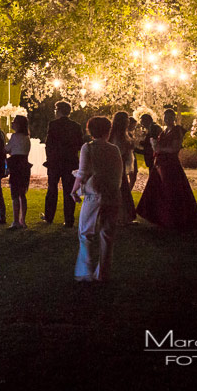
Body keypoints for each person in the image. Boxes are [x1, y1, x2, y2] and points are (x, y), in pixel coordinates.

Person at [71, 116, 124, 282]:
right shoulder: (114, 149)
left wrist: (74, 190)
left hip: (95, 193)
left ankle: (84, 272)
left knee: (86, 232)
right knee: (107, 234)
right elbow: (118, 173)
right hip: (113, 193)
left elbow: (83, 172)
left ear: (90, 130)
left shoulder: (88, 147)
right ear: (108, 131)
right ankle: (103, 274)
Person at [136, 109, 197, 232]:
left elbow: (175, 148)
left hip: (171, 164)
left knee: (171, 190)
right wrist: (155, 146)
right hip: (160, 163)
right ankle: (159, 217)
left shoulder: (177, 130)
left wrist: (159, 148)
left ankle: (174, 218)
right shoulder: (164, 131)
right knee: (158, 189)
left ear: (174, 118)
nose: (167, 119)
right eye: (165, 117)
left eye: (170, 117)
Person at [44, 101, 84, 227]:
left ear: (59, 110)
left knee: (52, 189)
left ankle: (49, 216)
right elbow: (79, 144)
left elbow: (49, 143)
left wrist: (49, 157)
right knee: (69, 190)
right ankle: (69, 219)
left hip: (55, 162)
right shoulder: (76, 126)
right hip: (70, 162)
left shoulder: (53, 124)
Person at [108, 111, 138, 225]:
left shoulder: (122, 134)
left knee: (123, 190)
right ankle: (121, 217)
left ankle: (123, 217)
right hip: (117, 166)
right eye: (127, 120)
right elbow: (118, 151)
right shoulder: (117, 135)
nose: (128, 122)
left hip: (120, 165)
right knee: (122, 191)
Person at [6, 115, 32, 229]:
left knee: (15, 194)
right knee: (22, 193)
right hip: (24, 165)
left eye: (14, 122)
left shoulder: (15, 136)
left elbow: (7, 149)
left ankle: (16, 220)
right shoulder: (27, 137)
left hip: (16, 165)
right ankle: (23, 220)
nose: (12, 123)